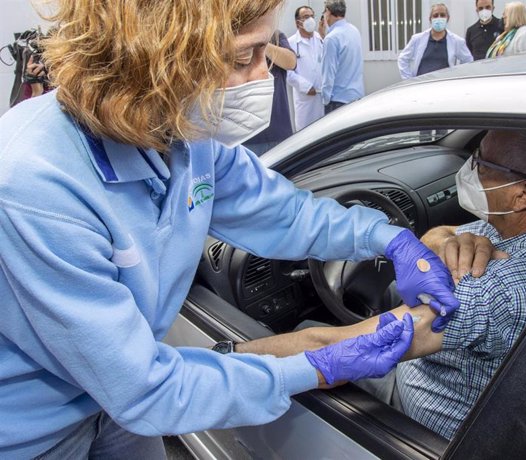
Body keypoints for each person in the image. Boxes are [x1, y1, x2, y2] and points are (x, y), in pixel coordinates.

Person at [0, 0, 462, 457]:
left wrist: (390, 239)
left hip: (123, 406)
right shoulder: (36, 183)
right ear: (156, 58)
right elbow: (147, 390)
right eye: (244, 57)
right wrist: (314, 367)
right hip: (37, 426)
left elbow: (288, 214)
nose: (265, 75)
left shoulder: (184, 135)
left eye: (268, 52)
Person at [234, 129, 526, 439]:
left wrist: (224, 356)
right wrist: (443, 240)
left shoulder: (488, 288)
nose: (469, 167)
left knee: (304, 330)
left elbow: (333, 346)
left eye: (482, 163)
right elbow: (441, 235)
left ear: (521, 194)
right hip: (486, 395)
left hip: (422, 418)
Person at [243, 30, 296, 155]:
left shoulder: (276, 36)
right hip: (247, 135)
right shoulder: (236, 38)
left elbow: (291, 62)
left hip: (278, 131)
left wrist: (261, 43)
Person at [397, 3, 473, 80]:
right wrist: (408, 80)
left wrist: (458, 77)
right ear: (430, 19)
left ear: (448, 18)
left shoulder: (457, 41)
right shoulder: (417, 39)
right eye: (435, 15)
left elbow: (468, 61)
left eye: (442, 15)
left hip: (444, 86)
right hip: (421, 86)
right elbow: (403, 58)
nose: (439, 18)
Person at [320, 0, 364, 114]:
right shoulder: (354, 30)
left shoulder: (331, 39)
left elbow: (328, 74)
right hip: (357, 97)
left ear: (328, 12)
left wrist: (325, 100)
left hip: (338, 102)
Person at [287, 6, 325, 131]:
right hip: (305, 99)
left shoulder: (320, 39)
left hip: (322, 98)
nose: (310, 20)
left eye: (312, 16)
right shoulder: (291, 43)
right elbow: (288, 73)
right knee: (305, 135)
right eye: (306, 17)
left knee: (324, 132)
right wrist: (306, 87)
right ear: (298, 22)